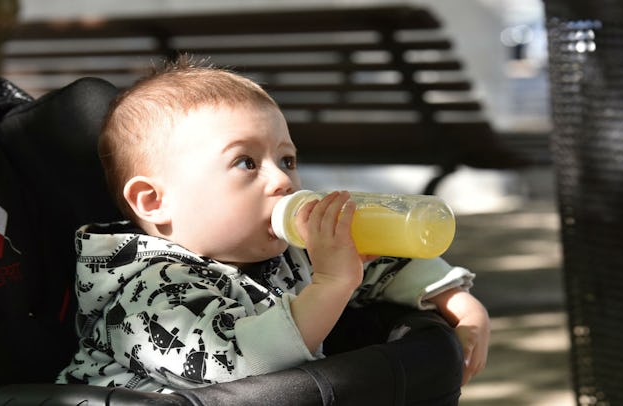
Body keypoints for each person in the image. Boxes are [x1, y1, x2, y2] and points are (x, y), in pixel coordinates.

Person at [57, 55, 490, 394]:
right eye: (245, 162)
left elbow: (376, 263)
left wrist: (454, 299)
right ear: (154, 201)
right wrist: (332, 283)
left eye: (287, 159)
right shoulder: (147, 291)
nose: (283, 179)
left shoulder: (292, 252)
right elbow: (240, 366)